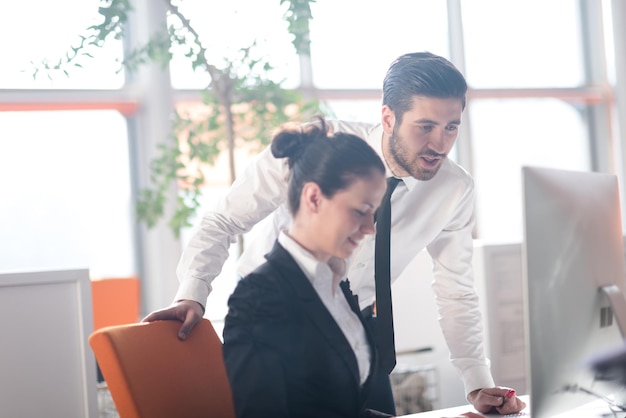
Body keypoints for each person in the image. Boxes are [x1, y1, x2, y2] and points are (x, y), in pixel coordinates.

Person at [144, 51, 526, 415]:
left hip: (357, 331)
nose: (439, 144)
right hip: (278, 320)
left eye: (451, 127)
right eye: (425, 126)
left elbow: (456, 289)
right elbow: (224, 220)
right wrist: (193, 292)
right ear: (388, 117)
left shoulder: (454, 189)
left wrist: (477, 381)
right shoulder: (319, 150)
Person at [222, 118, 391, 418]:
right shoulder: (259, 298)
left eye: (373, 214)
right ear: (313, 197)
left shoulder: (336, 285)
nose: (370, 229)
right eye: (360, 212)